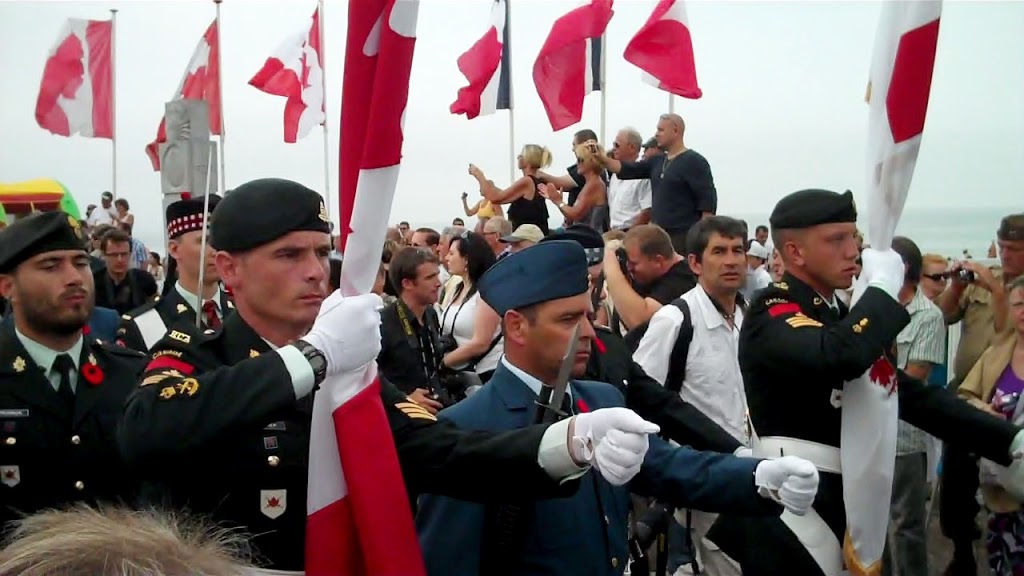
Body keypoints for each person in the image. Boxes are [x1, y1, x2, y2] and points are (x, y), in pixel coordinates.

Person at [118, 178, 660, 574]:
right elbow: (146, 431)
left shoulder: (349, 372)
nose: (313, 270)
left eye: (320, 252)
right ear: (229, 268)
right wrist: (313, 357)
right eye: (289, 255)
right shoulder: (199, 352)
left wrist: (568, 442)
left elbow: (444, 451)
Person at [416, 241, 819, 576]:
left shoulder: (600, 399)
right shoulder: (464, 431)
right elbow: (450, 561)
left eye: (589, 316)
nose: (589, 332)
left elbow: (670, 466)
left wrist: (759, 475)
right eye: (569, 319)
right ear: (517, 327)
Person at [706, 189, 1024, 576]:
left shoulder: (840, 316)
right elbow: (841, 355)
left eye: (853, 237)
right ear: (795, 252)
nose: (853, 250)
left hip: (844, 503)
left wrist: (1007, 440)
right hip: (789, 511)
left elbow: (909, 396)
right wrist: (882, 290)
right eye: (836, 240)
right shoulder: (772, 309)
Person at [0, 212, 148, 528]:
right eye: (51, 266)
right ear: (7, 287)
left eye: (80, 263)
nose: (75, 278)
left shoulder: (131, 374)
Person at [117, 194, 232, 352]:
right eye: (204, 241)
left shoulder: (247, 312)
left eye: (219, 241)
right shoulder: (146, 324)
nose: (216, 251)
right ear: (174, 249)